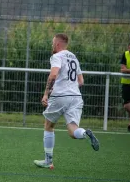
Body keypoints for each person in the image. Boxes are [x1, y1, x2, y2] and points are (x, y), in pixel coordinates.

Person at [34, 33, 100, 169]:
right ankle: (85, 133)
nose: (52, 45)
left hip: (60, 96)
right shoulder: (74, 58)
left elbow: (53, 74)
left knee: (49, 126)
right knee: (73, 131)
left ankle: (48, 161)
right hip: (76, 96)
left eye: (53, 43)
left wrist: (46, 94)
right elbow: (81, 81)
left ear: (58, 44)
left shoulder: (57, 56)